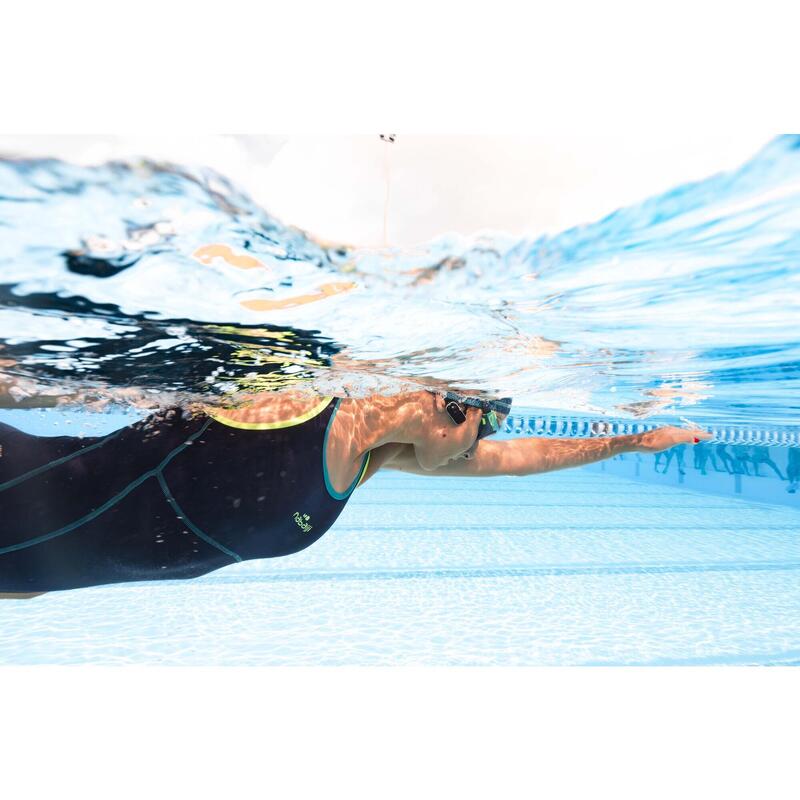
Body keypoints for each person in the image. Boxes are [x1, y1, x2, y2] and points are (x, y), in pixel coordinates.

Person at [0, 387, 712, 598]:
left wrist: (626, 442)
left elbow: (516, 461)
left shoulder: (369, 460)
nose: (482, 442)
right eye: (483, 421)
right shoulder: (289, 403)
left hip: (27, 566)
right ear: (439, 404)